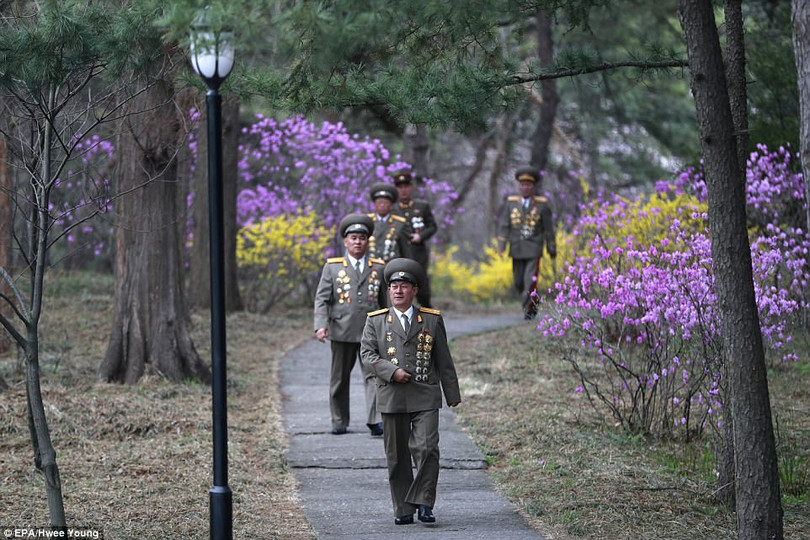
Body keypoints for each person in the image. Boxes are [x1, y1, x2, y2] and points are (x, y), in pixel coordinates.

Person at [360, 258, 461, 525]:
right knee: (397, 457)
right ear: (388, 290)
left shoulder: (431, 319)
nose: (398, 291)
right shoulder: (376, 322)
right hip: (391, 396)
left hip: (425, 394)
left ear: (414, 290)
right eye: (394, 286)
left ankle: (425, 502)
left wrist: (452, 393)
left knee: (427, 449)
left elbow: (444, 359)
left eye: (404, 286)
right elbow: (367, 355)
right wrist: (391, 371)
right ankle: (403, 508)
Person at [314, 213, 386, 436]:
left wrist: (390, 328)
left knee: (375, 376)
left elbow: (385, 302)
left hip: (370, 333)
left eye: (362, 238)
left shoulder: (378, 267)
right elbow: (322, 299)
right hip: (342, 330)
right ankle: (339, 420)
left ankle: (375, 420)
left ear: (367, 241)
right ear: (345, 241)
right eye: (353, 238)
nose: (357, 242)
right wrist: (320, 325)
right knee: (339, 378)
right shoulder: (333, 267)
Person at [496, 166, 557, 320]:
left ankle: (528, 310)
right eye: (522, 184)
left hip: (534, 248)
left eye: (528, 185)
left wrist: (551, 248)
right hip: (516, 247)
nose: (525, 187)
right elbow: (504, 225)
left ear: (533, 186)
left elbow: (548, 229)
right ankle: (534, 300)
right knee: (519, 283)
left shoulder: (542, 205)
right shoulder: (511, 203)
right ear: (519, 186)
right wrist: (501, 245)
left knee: (530, 281)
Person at [391, 172, 437, 308]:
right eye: (400, 187)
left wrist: (421, 236)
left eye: (406, 186)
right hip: (397, 253)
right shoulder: (392, 209)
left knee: (421, 288)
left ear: (411, 187)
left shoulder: (422, 207)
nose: (403, 190)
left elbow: (432, 226)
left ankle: (427, 315)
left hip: (417, 254)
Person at [367, 183, 408, 264]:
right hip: (370, 264)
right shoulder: (367, 221)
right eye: (379, 202)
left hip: (392, 265)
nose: (382, 205)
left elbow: (405, 249)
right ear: (374, 205)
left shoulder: (400, 224)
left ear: (391, 205)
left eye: (385, 203)